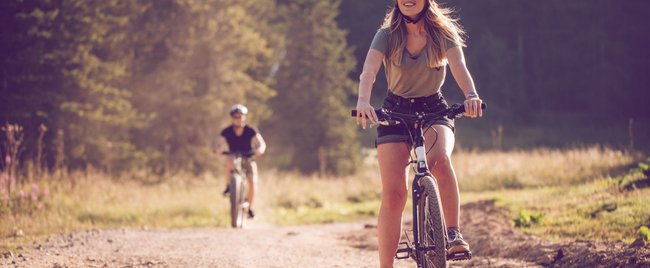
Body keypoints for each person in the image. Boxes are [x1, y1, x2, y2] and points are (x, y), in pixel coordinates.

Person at [354, 0, 483, 266]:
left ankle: (453, 234)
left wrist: (471, 95)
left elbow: (459, 65)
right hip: (395, 110)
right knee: (394, 194)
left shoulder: (442, 31)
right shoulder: (388, 33)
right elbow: (369, 70)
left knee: (440, 161)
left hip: (433, 108)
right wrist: (363, 101)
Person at [215, 104, 267, 218]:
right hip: (233, 156)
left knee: (252, 182)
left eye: (240, 116)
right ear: (232, 118)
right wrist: (218, 150)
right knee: (230, 162)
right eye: (235, 117)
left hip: (248, 157)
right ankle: (229, 186)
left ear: (244, 117)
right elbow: (218, 143)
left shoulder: (250, 130)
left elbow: (261, 143)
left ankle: (250, 208)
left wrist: (259, 150)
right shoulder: (227, 131)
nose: (238, 119)